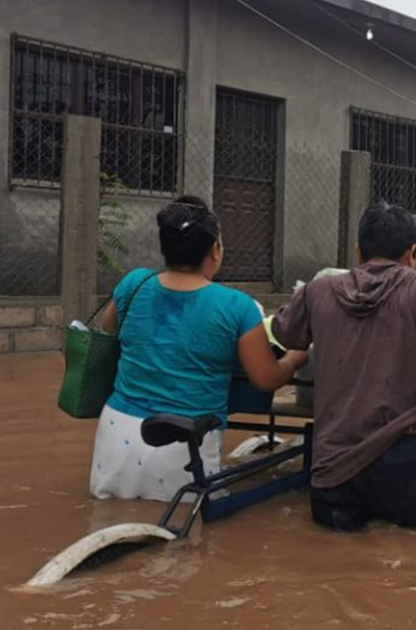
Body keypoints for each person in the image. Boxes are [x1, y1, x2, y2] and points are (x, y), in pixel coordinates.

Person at [271, 202, 416, 532]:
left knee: (333, 569)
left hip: (333, 467)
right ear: (412, 252)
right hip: (406, 461)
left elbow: (284, 332)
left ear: (358, 251)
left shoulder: (317, 291)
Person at [89, 197, 307, 502]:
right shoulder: (237, 306)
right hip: (184, 439)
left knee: (112, 513)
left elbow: (109, 327)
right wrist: (295, 357)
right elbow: (266, 379)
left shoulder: (134, 283)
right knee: (189, 531)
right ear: (215, 250)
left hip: (116, 433)